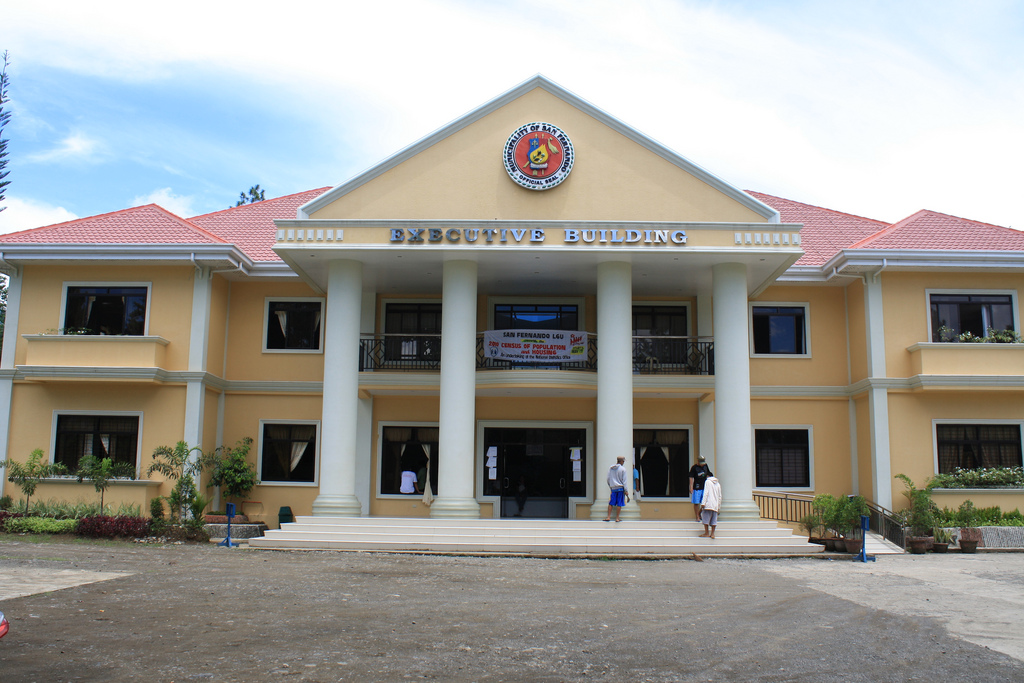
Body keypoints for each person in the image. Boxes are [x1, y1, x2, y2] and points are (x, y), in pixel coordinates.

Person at [603, 455, 630, 522]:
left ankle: (608, 517)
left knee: (611, 503)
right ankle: (617, 518)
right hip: (620, 488)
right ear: (621, 461)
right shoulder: (623, 469)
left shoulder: (611, 468)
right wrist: (626, 490)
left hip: (613, 488)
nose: (623, 462)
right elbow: (624, 481)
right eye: (623, 461)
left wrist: (610, 485)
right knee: (619, 503)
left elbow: (608, 478)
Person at [689, 456, 713, 522]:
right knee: (696, 502)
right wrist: (691, 487)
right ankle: (697, 516)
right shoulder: (694, 468)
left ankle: (699, 513)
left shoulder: (705, 466)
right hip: (697, 487)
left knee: (704, 502)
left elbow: (708, 474)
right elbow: (691, 477)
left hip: (704, 486)